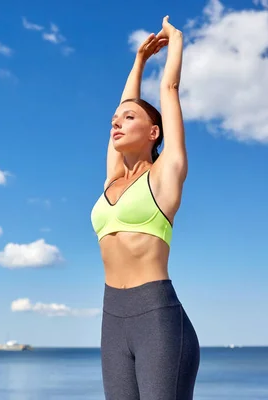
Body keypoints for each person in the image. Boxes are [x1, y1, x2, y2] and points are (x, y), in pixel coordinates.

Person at [90, 15, 200, 400]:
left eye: (129, 118)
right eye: (113, 121)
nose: (117, 123)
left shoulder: (165, 174)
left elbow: (169, 89)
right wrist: (137, 62)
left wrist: (176, 40)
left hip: (157, 318)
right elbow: (124, 104)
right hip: (112, 319)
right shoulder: (111, 181)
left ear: (154, 133)